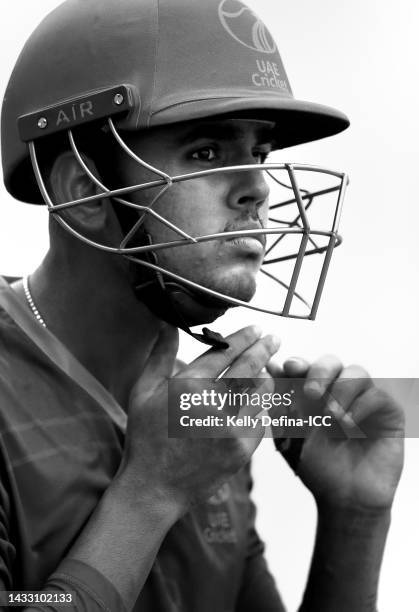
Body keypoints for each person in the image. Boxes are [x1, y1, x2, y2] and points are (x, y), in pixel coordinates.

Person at [0, 0, 404, 610]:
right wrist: (150, 492)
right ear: (86, 192)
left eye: (260, 152)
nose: (259, 189)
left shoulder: (203, 415)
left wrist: (356, 517)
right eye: (207, 152)